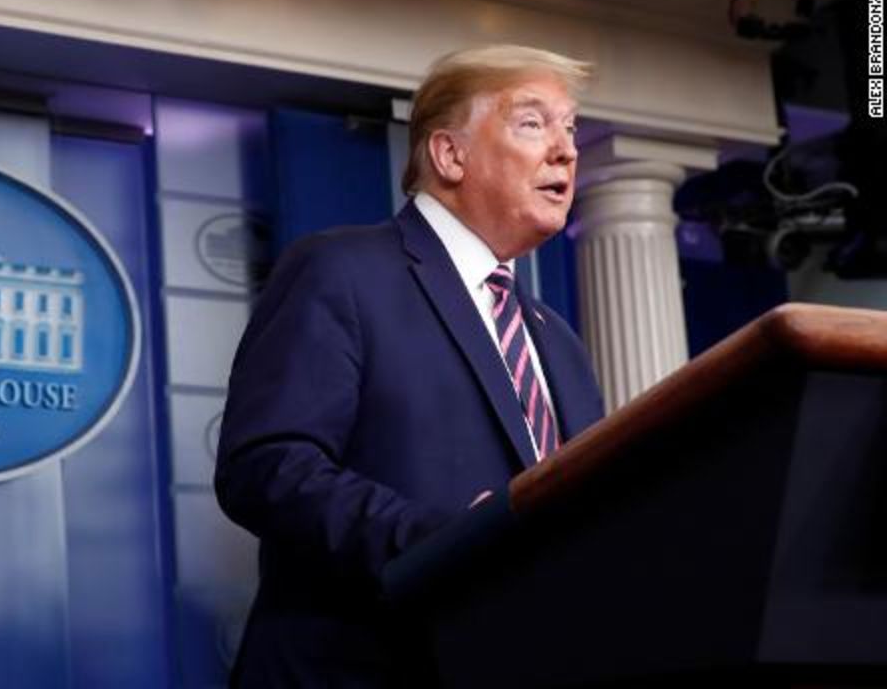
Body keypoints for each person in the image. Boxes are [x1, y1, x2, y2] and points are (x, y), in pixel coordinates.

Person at [214, 45, 607, 686]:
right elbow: (267, 466)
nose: (565, 150)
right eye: (533, 124)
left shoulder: (556, 340)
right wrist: (445, 541)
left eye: (570, 128)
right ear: (449, 155)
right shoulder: (342, 270)